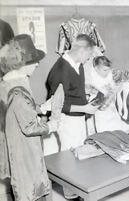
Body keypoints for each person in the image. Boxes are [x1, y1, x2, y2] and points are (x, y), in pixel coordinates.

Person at [0, 34, 58, 201]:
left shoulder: (7, 83)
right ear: (21, 64)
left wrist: (41, 108)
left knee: (24, 185)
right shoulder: (18, 90)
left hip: (15, 146)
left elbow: (20, 111)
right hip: (25, 149)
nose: (38, 63)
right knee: (32, 189)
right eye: (33, 61)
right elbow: (30, 126)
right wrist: (51, 126)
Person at [46, 33, 99, 199]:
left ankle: (78, 188)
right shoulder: (60, 70)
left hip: (78, 117)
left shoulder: (78, 64)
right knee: (69, 156)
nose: (89, 59)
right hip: (66, 119)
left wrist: (85, 90)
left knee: (79, 153)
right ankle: (70, 194)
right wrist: (84, 107)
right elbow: (57, 104)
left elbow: (72, 88)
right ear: (82, 51)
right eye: (89, 55)